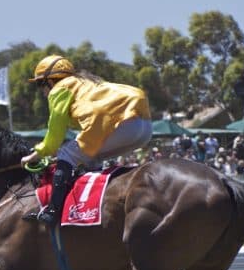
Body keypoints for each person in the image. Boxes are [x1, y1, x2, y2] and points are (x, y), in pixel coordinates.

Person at [20, 55, 152, 226]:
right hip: (145, 126)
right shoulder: (83, 83)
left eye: (40, 85)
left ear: (50, 81)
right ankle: (90, 205)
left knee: (66, 153)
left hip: (123, 124)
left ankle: (52, 211)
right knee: (89, 156)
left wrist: (32, 156)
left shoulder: (59, 89)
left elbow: (54, 137)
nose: (42, 91)